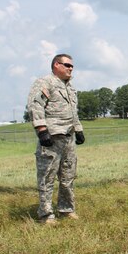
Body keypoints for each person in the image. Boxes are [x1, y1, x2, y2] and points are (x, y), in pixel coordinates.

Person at [27, 54, 85, 225]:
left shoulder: (70, 88)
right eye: (67, 65)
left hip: (69, 137)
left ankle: (66, 209)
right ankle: (46, 214)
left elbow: (74, 112)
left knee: (68, 175)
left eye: (72, 66)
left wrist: (79, 129)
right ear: (56, 65)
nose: (70, 68)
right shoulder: (45, 82)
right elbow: (35, 105)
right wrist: (41, 129)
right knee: (47, 176)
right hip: (52, 137)